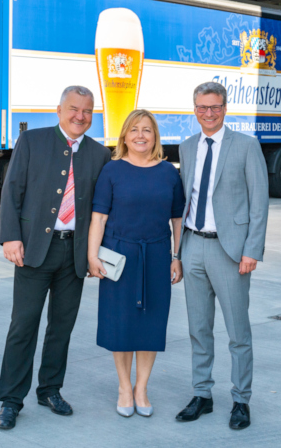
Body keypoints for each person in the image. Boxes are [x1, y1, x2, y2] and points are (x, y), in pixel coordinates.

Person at [0, 85, 111, 430]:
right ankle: (11, 400)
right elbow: (12, 191)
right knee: (23, 325)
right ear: (59, 110)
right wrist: (11, 237)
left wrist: (95, 254)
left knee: (61, 327)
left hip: (73, 252)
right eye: (74, 109)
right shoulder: (32, 142)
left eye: (87, 111)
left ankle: (50, 390)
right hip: (33, 250)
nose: (80, 116)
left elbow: (101, 210)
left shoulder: (99, 154)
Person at [175, 81, 269, 430]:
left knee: (237, 331)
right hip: (193, 245)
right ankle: (202, 394)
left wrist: (251, 250)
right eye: (202, 107)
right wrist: (178, 252)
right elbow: (185, 201)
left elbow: (259, 203)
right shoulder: (186, 148)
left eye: (215, 107)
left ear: (225, 108)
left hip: (231, 251)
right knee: (199, 328)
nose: (209, 113)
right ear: (194, 109)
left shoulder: (245, 146)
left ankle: (241, 400)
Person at [87, 109, 185, 418]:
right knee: (122, 325)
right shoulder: (112, 170)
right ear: (125, 136)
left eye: (147, 130)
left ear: (155, 136)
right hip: (119, 257)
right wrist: (92, 256)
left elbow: (177, 219)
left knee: (150, 324)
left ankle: (142, 387)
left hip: (156, 256)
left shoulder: (169, 172)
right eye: (134, 130)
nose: (140, 135)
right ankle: (123, 388)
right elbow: (99, 218)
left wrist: (177, 256)